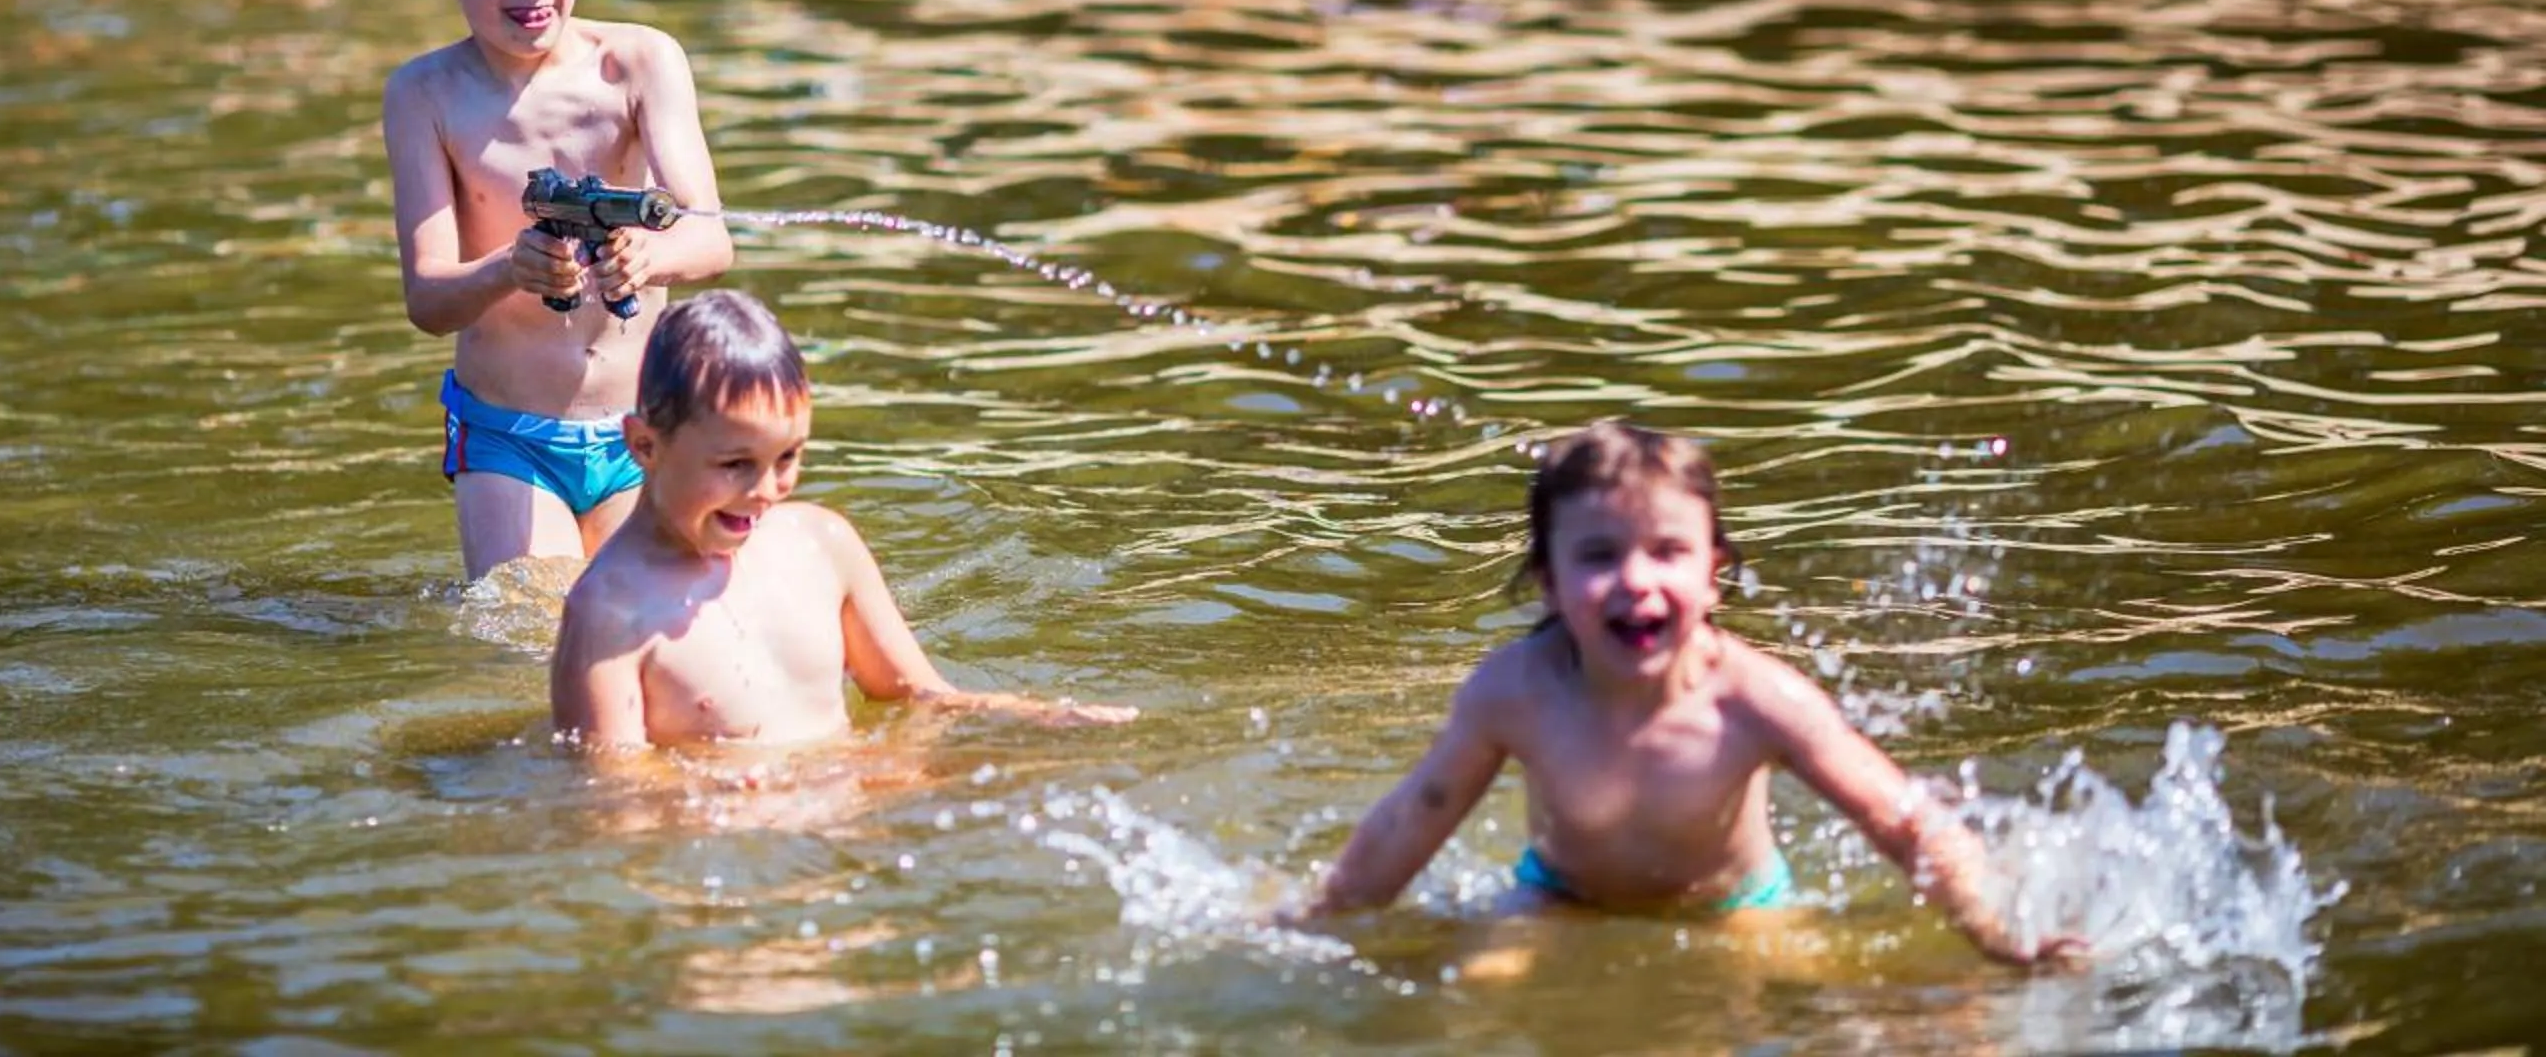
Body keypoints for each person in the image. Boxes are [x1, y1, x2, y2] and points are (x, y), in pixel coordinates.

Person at [1307, 421, 2089, 969]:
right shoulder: (1513, 692)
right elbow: (1415, 817)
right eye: (1599, 555)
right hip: (1556, 900)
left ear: (1714, 574)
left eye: (1668, 551)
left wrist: (1996, 930)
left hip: (1737, 911)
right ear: (1548, 580)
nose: (1635, 581)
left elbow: (1906, 823)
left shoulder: (1757, 701)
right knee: (1457, 1001)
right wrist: (1318, 920)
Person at [551, 290, 1137, 748]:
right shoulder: (607, 613)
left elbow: (917, 695)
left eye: (788, 457)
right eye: (734, 465)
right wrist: (722, 796)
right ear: (645, 446)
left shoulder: (822, 546)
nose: (765, 490)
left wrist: (1039, 717)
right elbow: (615, 797)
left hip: (849, 817)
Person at [383, 0, 735, 581]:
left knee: (644, 630)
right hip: (508, 434)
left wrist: (652, 254)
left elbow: (711, 239)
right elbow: (428, 300)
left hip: (643, 426)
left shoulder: (639, 63)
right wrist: (511, 268)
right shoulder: (424, 95)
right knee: (533, 629)